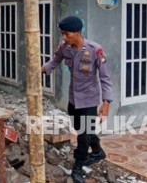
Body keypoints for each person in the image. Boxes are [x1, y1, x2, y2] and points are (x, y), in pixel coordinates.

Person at [41, 16, 113, 183]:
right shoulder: (65, 47)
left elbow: (105, 78)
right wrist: (43, 69)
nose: (64, 38)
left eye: (67, 34)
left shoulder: (95, 50)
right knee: (82, 129)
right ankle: (97, 150)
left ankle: (78, 167)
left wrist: (106, 103)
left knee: (83, 136)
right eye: (62, 34)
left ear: (78, 32)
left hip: (89, 100)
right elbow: (55, 60)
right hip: (73, 98)